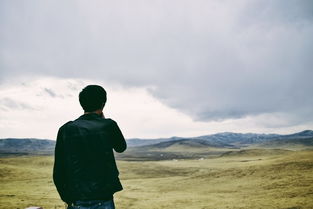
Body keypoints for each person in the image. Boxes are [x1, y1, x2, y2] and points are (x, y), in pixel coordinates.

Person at [53, 85, 127, 209]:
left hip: (76, 200)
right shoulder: (109, 125)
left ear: (81, 104)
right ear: (103, 103)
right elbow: (121, 147)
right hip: (104, 198)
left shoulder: (66, 129)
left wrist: (66, 198)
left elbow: (59, 170)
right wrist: (103, 120)